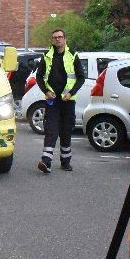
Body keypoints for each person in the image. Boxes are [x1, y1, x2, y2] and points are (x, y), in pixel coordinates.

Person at [35, 28, 85, 174]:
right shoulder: (46, 56)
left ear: (65, 39)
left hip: (68, 101)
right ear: (52, 40)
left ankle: (66, 161)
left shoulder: (73, 55)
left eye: (60, 37)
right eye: (55, 37)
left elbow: (81, 77)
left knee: (66, 131)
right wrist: (46, 91)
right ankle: (46, 162)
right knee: (51, 130)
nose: (58, 39)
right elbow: (39, 77)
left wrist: (71, 93)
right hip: (52, 101)